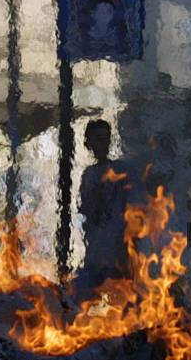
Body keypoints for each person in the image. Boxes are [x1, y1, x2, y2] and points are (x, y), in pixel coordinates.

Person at [75, 119, 141, 300]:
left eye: (105, 138)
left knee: (123, 300)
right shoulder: (89, 175)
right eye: (97, 139)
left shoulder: (123, 171)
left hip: (119, 250)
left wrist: (132, 249)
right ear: (88, 143)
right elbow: (86, 210)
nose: (102, 143)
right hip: (96, 251)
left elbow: (135, 210)